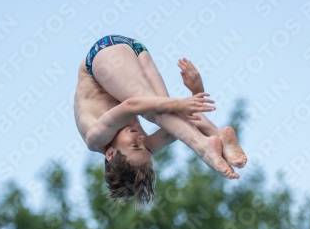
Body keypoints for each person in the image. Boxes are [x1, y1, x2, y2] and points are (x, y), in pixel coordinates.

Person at [74, 34, 247, 206]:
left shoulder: (95, 137)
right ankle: (219, 136)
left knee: (152, 111)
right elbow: (178, 126)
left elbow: (131, 105)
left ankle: (204, 147)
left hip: (104, 55)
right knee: (165, 114)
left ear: (110, 153)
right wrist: (196, 93)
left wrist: (179, 104)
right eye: (145, 148)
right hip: (138, 51)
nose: (141, 140)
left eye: (134, 145)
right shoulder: (143, 147)